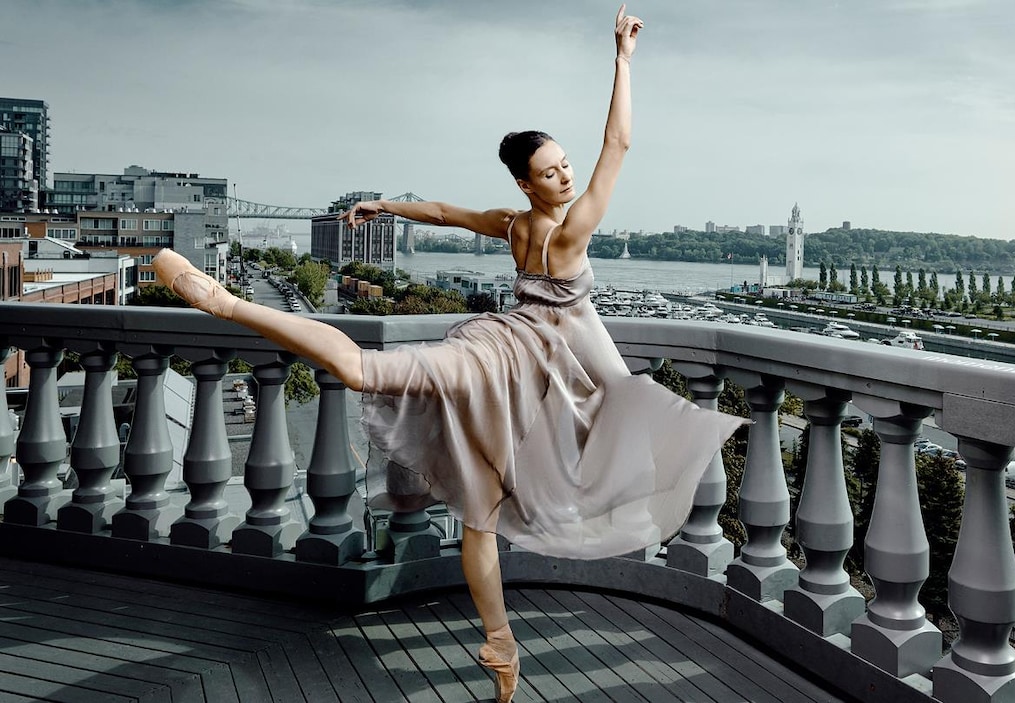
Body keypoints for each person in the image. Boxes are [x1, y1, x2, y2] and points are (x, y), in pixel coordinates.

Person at [155, 6, 744, 701]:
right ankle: (226, 303)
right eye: (552, 172)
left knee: (463, 493)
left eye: (565, 167)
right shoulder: (572, 231)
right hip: (528, 374)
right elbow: (618, 143)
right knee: (576, 462)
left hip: (499, 355)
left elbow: (441, 211)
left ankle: (500, 650)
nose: (566, 176)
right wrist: (622, 58)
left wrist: (383, 204)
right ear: (527, 183)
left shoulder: (514, 224)